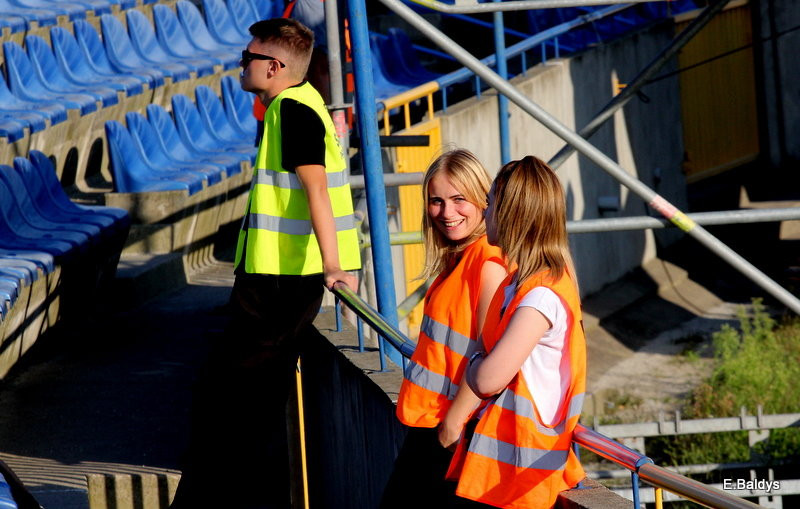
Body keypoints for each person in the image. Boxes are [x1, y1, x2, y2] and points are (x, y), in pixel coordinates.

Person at [169, 18, 360, 509]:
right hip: (276, 281)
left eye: (248, 58)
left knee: (238, 402)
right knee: (243, 399)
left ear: (274, 67)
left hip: (280, 284)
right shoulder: (301, 104)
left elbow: (316, 188)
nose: (240, 65)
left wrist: (335, 264)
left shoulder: (293, 111)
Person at [448, 156, 586, 509]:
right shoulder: (519, 283)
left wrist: (476, 362)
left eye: (491, 202)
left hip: (521, 476)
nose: (484, 209)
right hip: (505, 469)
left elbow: (489, 377)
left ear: (511, 215)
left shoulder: (541, 295)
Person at [381, 149, 507, 508]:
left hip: (454, 431)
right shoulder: (460, 258)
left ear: (484, 201)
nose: (447, 213)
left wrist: (452, 425)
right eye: (436, 201)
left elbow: (490, 354)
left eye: (459, 200)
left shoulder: (487, 262)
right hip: (435, 425)